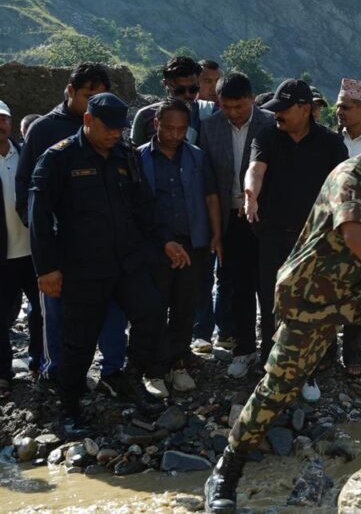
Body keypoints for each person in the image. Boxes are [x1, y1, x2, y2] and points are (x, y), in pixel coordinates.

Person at [204, 110, 361, 513]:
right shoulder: (350, 175)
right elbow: (354, 233)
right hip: (313, 294)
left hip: (356, 289)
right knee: (280, 385)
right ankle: (226, 469)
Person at [29, 94, 179, 433]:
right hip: (83, 267)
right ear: (88, 121)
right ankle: (69, 407)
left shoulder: (125, 155)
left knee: (152, 311)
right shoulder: (58, 158)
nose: (115, 134)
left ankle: (130, 378)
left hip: (126, 261)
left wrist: (165, 239)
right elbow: (39, 217)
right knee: (79, 340)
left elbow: (144, 206)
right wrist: (46, 268)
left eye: (119, 128)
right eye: (108, 127)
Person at [15, 63, 128, 394]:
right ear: (70, 91)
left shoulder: (113, 132)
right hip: (60, 248)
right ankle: (56, 375)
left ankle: (112, 373)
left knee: (112, 314)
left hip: (105, 250)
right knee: (57, 315)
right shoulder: (44, 131)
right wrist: (47, 245)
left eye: (101, 96)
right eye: (88, 96)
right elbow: (28, 194)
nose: (94, 103)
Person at [234, 79, 347, 387]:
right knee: (273, 300)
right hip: (272, 235)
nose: (277, 115)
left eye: (284, 109)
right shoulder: (267, 135)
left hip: (315, 238)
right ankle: (272, 362)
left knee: (315, 301)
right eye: (276, 109)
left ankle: (315, 364)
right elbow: (255, 169)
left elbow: (343, 186)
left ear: (304, 109)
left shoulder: (330, 143)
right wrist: (250, 194)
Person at [139, 99, 222, 394]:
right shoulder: (139, 158)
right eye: (169, 128)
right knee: (154, 308)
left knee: (185, 306)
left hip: (191, 244)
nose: (175, 135)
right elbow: (136, 207)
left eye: (181, 129)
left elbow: (210, 197)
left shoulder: (197, 157)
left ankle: (178, 363)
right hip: (155, 246)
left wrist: (216, 234)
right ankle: (154, 369)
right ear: (156, 124)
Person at [196, 73, 275, 352]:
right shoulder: (210, 127)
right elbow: (208, 178)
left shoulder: (271, 123)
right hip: (229, 218)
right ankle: (244, 347)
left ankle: (272, 346)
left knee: (268, 284)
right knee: (237, 285)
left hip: (265, 217)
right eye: (226, 107)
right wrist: (215, 228)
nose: (233, 113)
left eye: (239, 106)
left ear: (252, 99)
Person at [333, 78, 361, 374]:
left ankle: (353, 356)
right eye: (338, 107)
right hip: (333, 225)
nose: (340, 112)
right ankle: (325, 353)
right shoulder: (329, 141)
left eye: (345, 107)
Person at [0, 100, 42, 398]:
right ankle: (3, 374)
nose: (0, 125)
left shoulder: (27, 154)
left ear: (11, 123)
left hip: (33, 252)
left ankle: (39, 363)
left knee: (41, 312)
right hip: (2, 257)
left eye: (3, 119)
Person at [131, 56, 210, 146]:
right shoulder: (145, 116)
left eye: (193, 89)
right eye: (180, 90)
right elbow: (135, 152)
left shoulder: (209, 114)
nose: (187, 94)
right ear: (166, 84)